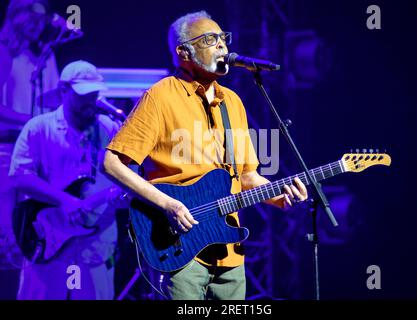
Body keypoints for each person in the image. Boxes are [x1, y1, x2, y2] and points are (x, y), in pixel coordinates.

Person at [103, 11, 308, 300]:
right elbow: (112, 163)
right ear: (183, 52)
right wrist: (168, 204)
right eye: (211, 40)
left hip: (230, 254)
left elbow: (247, 176)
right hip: (179, 249)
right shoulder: (160, 97)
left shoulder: (233, 102)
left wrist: (281, 198)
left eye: (224, 39)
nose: (222, 46)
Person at [9, 60, 122, 300]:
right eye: (83, 95)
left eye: (94, 94)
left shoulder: (110, 129)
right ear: (63, 91)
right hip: (48, 241)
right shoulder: (38, 128)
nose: (90, 102)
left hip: (93, 246)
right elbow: (20, 177)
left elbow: (128, 177)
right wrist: (64, 200)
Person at [0, 0, 59, 268]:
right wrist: (32, 120)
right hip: (8, 147)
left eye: (42, 18)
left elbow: (53, 99)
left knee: (35, 221)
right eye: (32, 18)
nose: (39, 24)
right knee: (8, 228)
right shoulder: (4, 53)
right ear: (17, 17)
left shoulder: (46, 56)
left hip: (39, 148)